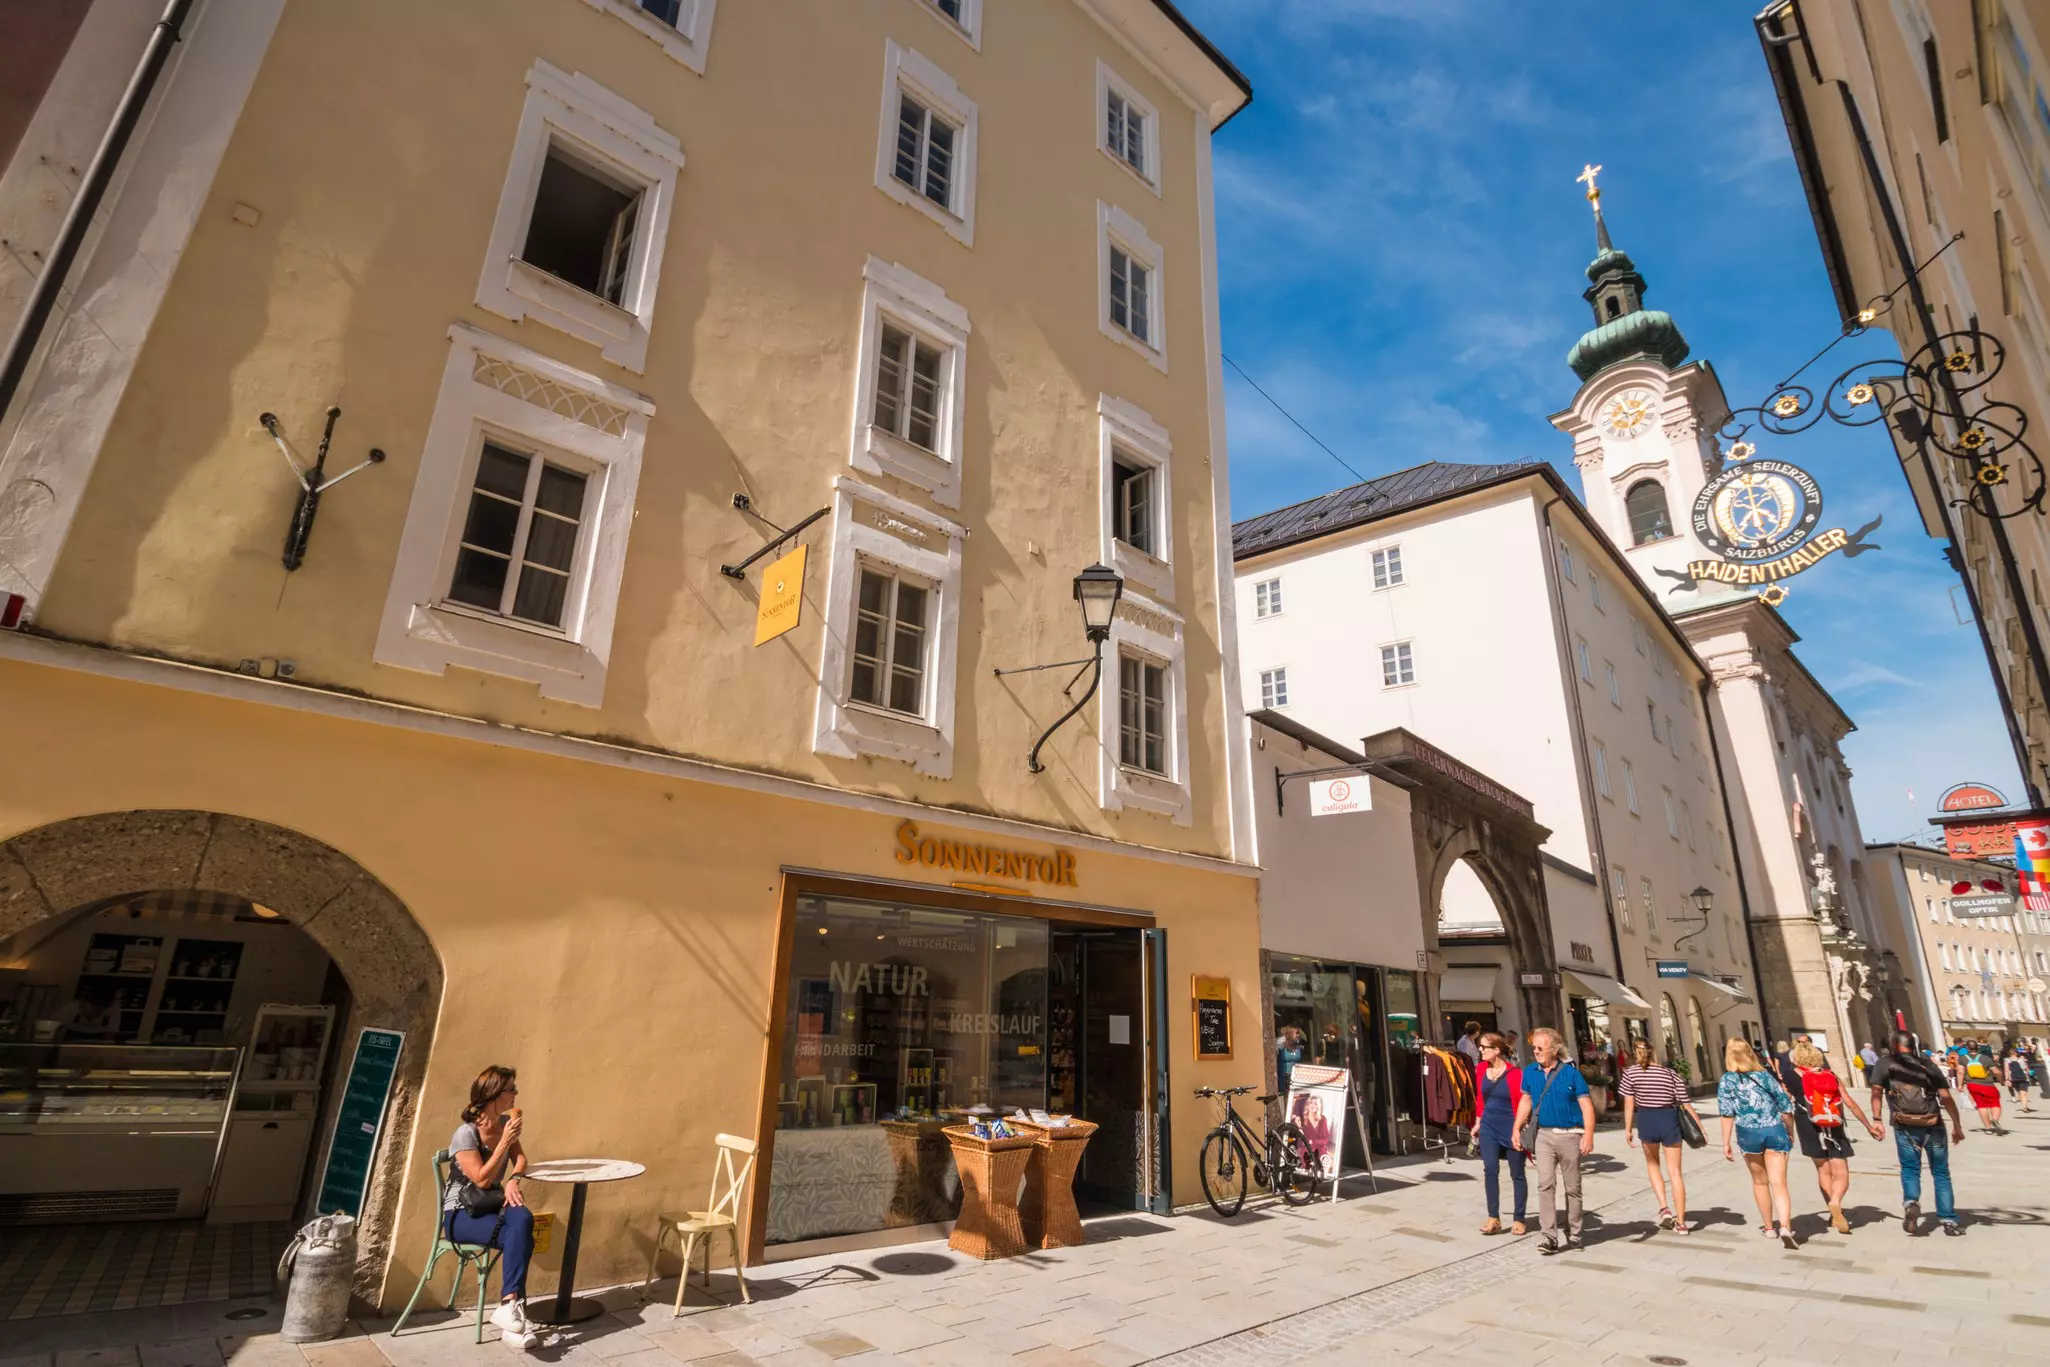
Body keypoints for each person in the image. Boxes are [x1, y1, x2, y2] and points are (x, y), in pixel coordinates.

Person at [446, 1065, 540, 1347]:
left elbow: (521, 1159)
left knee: (522, 1218)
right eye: (512, 1089)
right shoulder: (466, 1133)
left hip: (492, 1208)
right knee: (519, 1237)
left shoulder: (503, 1124)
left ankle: (510, 1311)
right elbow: (482, 1180)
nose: (516, 1094)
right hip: (460, 1214)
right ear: (494, 1094)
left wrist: (513, 1179)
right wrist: (504, 1142)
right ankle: (515, 1318)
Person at [1869, 1031, 1966, 1236]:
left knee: (1910, 1168)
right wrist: (1957, 1125)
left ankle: (1911, 1201)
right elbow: (1946, 1097)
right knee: (1941, 1173)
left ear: (1895, 1045)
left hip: (1904, 1124)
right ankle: (1948, 1220)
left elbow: (1876, 1092)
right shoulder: (1928, 1065)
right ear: (1914, 1045)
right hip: (1933, 1123)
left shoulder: (1885, 1063)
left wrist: (1877, 1120)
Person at [1510, 1026, 1595, 1255]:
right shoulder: (1530, 1072)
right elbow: (1525, 1101)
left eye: (1540, 1048)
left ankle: (1575, 1233)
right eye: (1534, 1048)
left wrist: (1588, 1134)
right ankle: (1549, 1236)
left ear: (1555, 1050)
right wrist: (1516, 1128)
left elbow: (1586, 1105)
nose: (1536, 1052)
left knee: (1573, 1187)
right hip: (1544, 1136)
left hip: (1570, 1134)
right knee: (1545, 1184)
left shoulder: (1571, 1073)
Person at [1789, 1041, 1882, 1235]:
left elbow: (1784, 1104)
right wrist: (1868, 1125)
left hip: (1808, 1124)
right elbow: (1850, 1103)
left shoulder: (1792, 1077)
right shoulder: (1831, 1075)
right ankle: (1836, 1202)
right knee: (1841, 1171)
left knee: (1823, 1170)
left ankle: (1833, 1210)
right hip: (1834, 1123)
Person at [1717, 1038, 1799, 1249]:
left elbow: (1726, 1114)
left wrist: (1725, 1142)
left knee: (1760, 1182)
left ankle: (1768, 1227)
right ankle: (1786, 1227)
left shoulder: (1727, 1080)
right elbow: (1785, 1106)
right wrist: (1790, 1131)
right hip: (1774, 1130)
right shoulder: (1765, 1076)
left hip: (1748, 1133)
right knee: (1779, 1183)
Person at [1618, 1040, 1702, 1233]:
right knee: (1675, 1173)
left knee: (1653, 1164)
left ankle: (1664, 1208)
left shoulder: (1631, 1073)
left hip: (1647, 1119)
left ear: (1635, 1052)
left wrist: (1628, 1128)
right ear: (1653, 1052)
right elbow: (1684, 1102)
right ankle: (1681, 1223)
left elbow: (1629, 1103)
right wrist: (1698, 1125)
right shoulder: (1670, 1073)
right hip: (1669, 1119)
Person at [1467, 1031, 1526, 1236]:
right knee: (1490, 1170)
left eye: (1483, 1047)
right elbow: (1480, 1099)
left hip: (1511, 1127)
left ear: (1497, 1050)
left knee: (1517, 1173)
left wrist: (1518, 1129)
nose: (1480, 1050)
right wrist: (1477, 1123)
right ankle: (1494, 1218)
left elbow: (1523, 1104)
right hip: (1489, 1127)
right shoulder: (1481, 1069)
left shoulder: (1515, 1073)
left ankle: (1519, 1218)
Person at [1962, 1057, 2004, 1133]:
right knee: (1995, 1103)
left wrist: (1959, 1084)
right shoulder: (1986, 1058)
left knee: (1981, 1106)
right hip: (1987, 1084)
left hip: (1972, 1084)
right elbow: (1997, 1072)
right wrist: (2001, 1080)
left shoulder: (1963, 1059)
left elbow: (1960, 1072)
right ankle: (1995, 1120)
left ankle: (1988, 1128)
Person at [1276, 1026, 1307, 1093]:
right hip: (1285, 1079)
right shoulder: (1281, 1045)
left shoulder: (1298, 1047)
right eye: (1296, 1033)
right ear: (1290, 1033)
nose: (1298, 1035)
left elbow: (1305, 1038)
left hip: (1296, 1078)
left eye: (1299, 1033)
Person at [2003, 1049, 2034, 1114]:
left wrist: (2007, 1079)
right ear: (2016, 1053)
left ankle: (2023, 1105)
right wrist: (2029, 1075)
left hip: (2013, 1078)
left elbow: (2006, 1070)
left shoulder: (2007, 1060)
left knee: (2019, 1092)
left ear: (2009, 1054)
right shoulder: (2021, 1060)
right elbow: (2026, 1069)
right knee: (2024, 1092)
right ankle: (2025, 1107)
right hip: (2023, 1078)